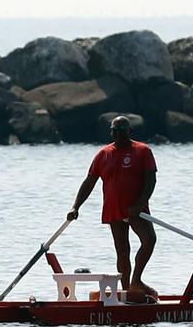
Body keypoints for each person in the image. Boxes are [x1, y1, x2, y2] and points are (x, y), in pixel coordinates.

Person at [66, 115, 157, 300]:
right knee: (122, 249)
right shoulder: (103, 154)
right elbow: (89, 182)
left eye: (122, 130)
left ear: (130, 131)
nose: (118, 134)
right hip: (114, 208)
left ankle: (136, 280)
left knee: (149, 240)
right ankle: (126, 291)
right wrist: (75, 207)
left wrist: (140, 204)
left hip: (136, 209)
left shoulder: (143, 151)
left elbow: (151, 180)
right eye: (114, 131)